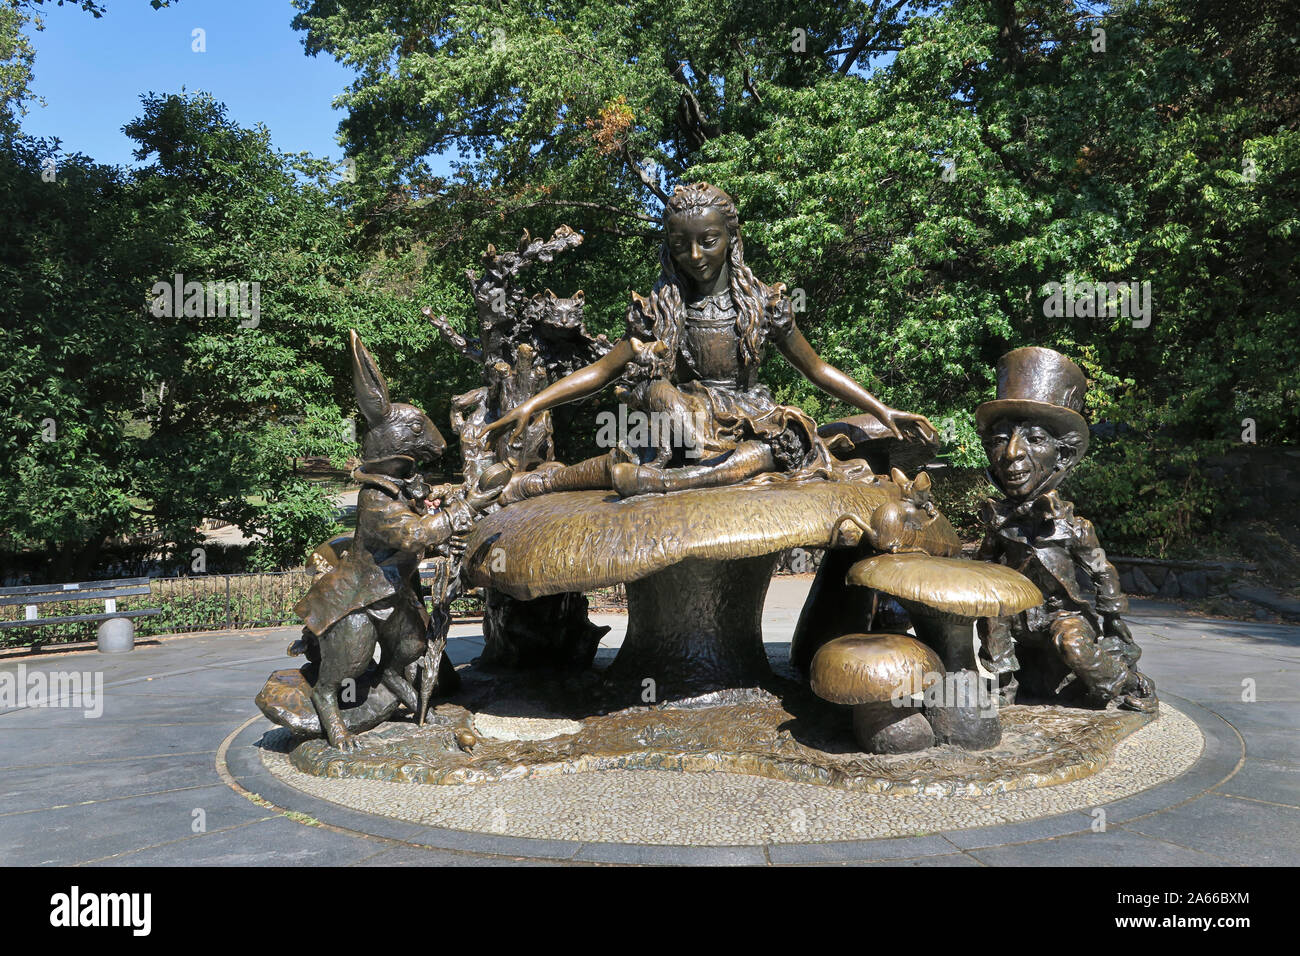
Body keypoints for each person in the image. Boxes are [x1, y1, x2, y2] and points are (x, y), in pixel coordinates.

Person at [484, 182, 935, 498]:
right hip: (686, 421)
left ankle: (666, 483)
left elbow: (815, 369)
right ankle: (541, 482)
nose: (695, 256)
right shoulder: (660, 309)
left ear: (732, 240)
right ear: (669, 247)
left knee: (774, 445)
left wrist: (882, 409)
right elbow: (602, 372)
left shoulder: (763, 305)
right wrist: (531, 405)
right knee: (660, 409)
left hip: (749, 418)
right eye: (682, 245)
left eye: (709, 240)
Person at [975, 347, 1157, 713]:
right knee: (994, 616)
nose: (1012, 454)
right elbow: (981, 569)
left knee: (1073, 644)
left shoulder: (1073, 526)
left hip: (1063, 615)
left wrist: (1113, 619)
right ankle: (1003, 687)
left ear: (1062, 456)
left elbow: (1101, 569)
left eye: (1034, 439)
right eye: (999, 440)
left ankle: (1126, 682)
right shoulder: (999, 522)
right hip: (1017, 614)